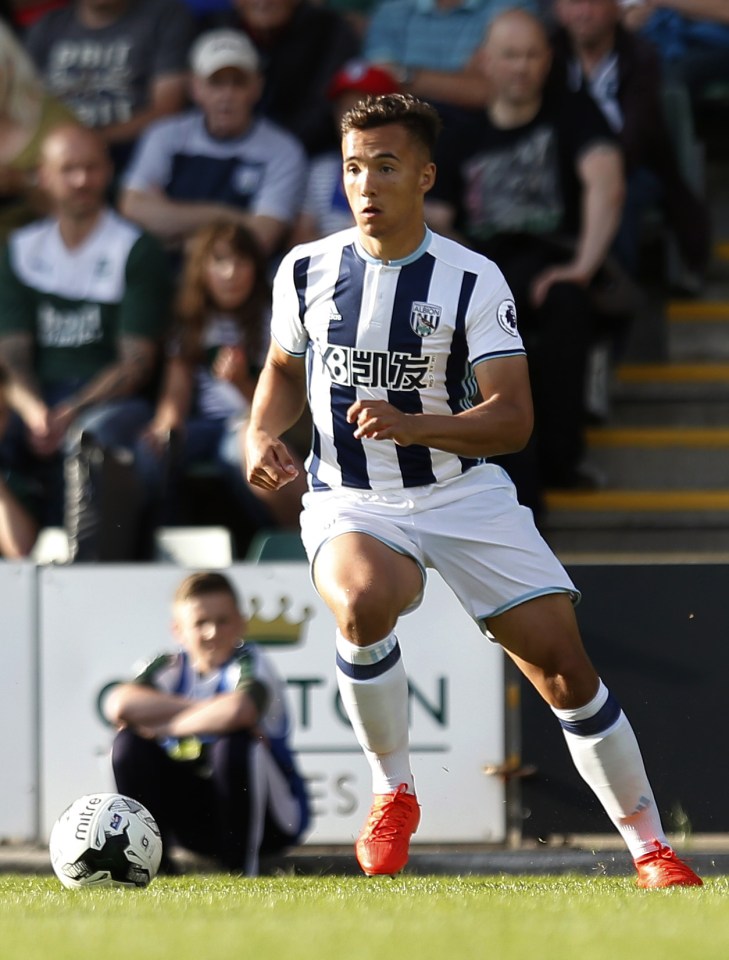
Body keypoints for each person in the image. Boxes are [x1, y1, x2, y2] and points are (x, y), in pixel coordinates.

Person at [244, 92, 701, 888]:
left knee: (563, 668)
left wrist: (413, 425)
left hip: (462, 492)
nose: (365, 184)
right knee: (359, 599)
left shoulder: (470, 279)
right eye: (353, 167)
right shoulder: (305, 269)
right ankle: (393, 792)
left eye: (385, 166)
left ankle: (650, 850)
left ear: (424, 175)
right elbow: (282, 370)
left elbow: (512, 421)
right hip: (353, 497)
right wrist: (259, 434)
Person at [425, 8, 625, 506]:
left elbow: (606, 182)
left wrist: (581, 267)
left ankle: (561, 461)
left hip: (554, 261)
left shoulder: (574, 113)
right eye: (510, 55)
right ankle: (517, 497)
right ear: (485, 62)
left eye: (533, 54)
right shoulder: (461, 135)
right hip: (484, 271)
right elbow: (433, 214)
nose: (522, 66)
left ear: (548, 60)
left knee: (565, 303)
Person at [0, 123, 172, 560]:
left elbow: (136, 364)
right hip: (38, 401)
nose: (81, 180)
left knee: (87, 439)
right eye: (69, 169)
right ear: (44, 175)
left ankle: (84, 569)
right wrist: (35, 411)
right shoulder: (20, 249)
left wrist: (68, 412)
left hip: (108, 403)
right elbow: (12, 357)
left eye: (92, 168)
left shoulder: (135, 247)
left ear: (109, 170)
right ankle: (18, 554)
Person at [101, 570, 310, 876]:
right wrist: (205, 710)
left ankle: (242, 869)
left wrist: (165, 726)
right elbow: (118, 704)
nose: (213, 632)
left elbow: (239, 711)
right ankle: (152, 865)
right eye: (200, 623)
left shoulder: (252, 660)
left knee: (235, 744)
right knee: (127, 745)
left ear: (241, 622)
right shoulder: (168, 665)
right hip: (195, 821)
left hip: (272, 821)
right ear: (178, 630)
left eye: (223, 620)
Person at [135, 221, 307, 550]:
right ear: (202, 269)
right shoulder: (190, 321)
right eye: (220, 261)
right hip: (205, 427)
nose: (231, 273)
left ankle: (298, 537)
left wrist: (241, 381)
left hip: (258, 422)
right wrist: (165, 427)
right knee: (153, 448)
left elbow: (286, 403)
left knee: (247, 447)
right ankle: (159, 546)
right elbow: (176, 391)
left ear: (255, 269)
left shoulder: (274, 317)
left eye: (241, 262)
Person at [550, 0, 711, 280]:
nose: (584, 12)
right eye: (574, 2)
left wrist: (598, 176)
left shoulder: (641, 55)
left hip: (634, 166)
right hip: (559, 168)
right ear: (557, 9)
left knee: (620, 194)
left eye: (595, 3)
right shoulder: (547, 54)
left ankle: (615, 287)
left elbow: (637, 139)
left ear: (616, 8)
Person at [118, 28, 308, 261]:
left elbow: (261, 238)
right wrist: (229, 216)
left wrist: (172, 231)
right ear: (195, 87)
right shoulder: (164, 135)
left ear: (257, 87)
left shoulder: (283, 150)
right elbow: (132, 207)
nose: (227, 94)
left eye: (238, 83)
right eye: (216, 83)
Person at [24, 0, 194, 171]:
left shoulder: (163, 16)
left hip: (134, 158)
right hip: (59, 162)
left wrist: (93, 141)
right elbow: (25, 104)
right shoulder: (48, 26)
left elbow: (167, 110)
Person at [206, 0, 361, 156]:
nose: (263, 3)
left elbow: (323, 106)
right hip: (231, 148)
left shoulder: (330, 29)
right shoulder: (218, 28)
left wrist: (277, 150)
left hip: (310, 153)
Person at [290, 59, 400, 247]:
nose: (356, 118)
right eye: (347, 109)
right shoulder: (321, 170)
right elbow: (302, 239)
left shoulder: (412, 170)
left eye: (366, 107)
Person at [363, 0, 537, 109]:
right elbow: (373, 88)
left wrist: (404, 76)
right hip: (403, 138)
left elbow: (494, 89)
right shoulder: (391, 10)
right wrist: (464, 80)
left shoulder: (511, 5)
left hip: (483, 144)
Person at [0, 20, 78, 244]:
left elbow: (84, 213)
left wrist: (24, 183)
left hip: (37, 260)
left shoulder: (57, 124)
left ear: (9, 67)